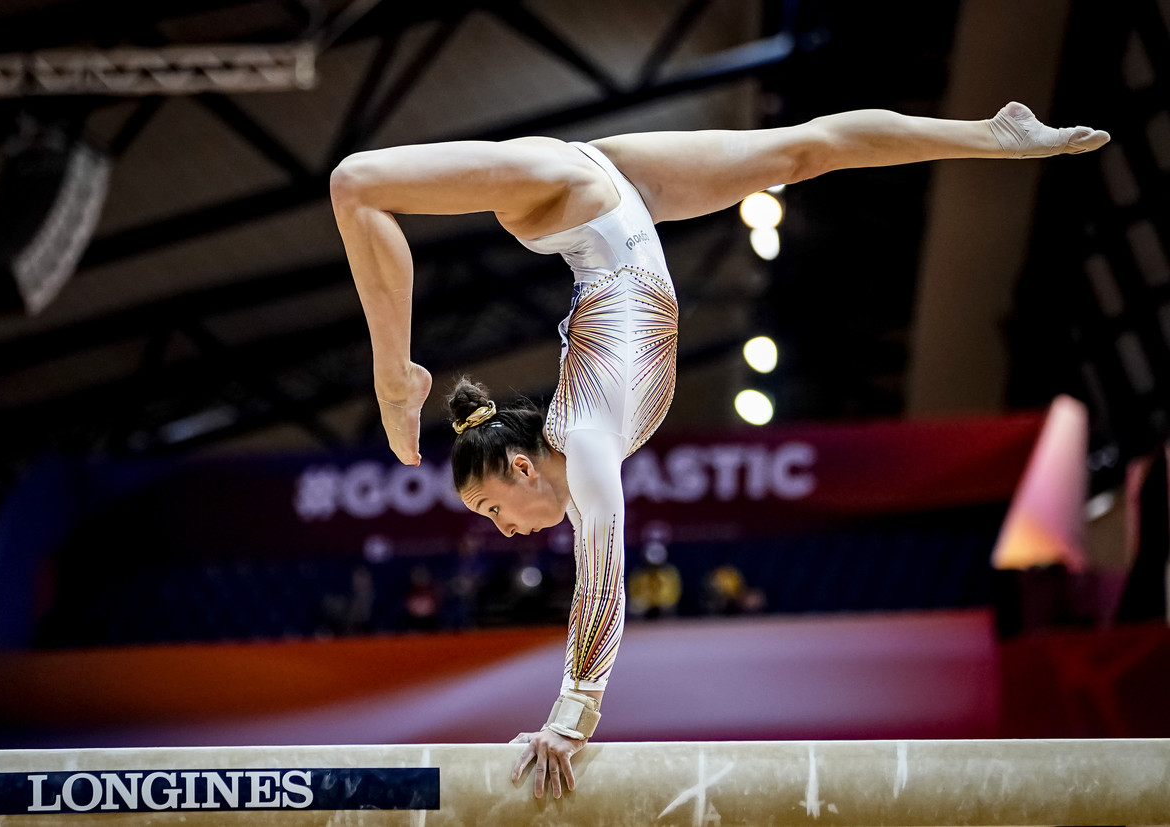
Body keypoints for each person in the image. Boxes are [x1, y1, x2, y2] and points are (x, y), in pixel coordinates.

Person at [329, 101, 1108, 798]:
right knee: (803, 151)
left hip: (572, 198)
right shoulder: (585, 428)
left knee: (357, 183)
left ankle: (394, 377)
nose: (502, 529)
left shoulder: (586, 438)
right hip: (612, 197)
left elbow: (602, 578)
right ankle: (994, 134)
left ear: (524, 464)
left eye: (494, 505)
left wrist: (572, 715)